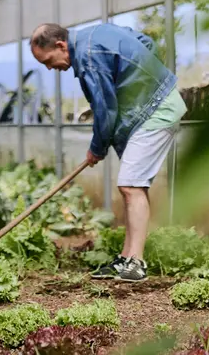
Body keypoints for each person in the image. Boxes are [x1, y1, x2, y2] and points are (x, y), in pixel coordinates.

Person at [29, 22, 187, 283]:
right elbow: (145, 42)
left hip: (157, 111)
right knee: (132, 186)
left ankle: (136, 263)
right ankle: (126, 258)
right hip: (158, 105)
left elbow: (105, 109)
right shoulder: (94, 34)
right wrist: (141, 79)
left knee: (131, 186)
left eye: (48, 61)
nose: (49, 68)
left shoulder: (88, 58)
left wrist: (97, 148)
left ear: (60, 45)